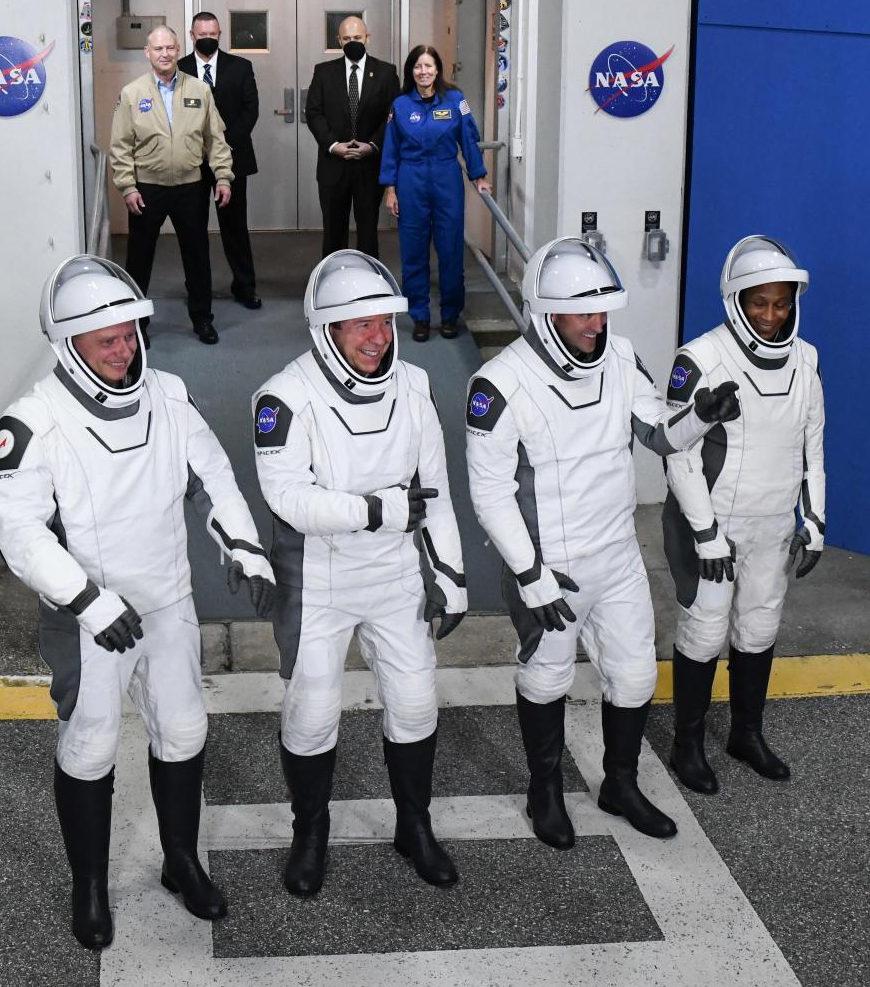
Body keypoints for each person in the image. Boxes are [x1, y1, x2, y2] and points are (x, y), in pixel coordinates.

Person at [0, 256, 274, 949]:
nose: (123, 350)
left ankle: (180, 862)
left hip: (167, 598)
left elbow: (215, 476)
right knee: (89, 746)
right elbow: (19, 533)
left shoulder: (171, 395)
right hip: (89, 618)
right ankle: (89, 886)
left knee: (183, 732)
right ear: (69, 346)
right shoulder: (32, 423)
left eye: (129, 334)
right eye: (105, 340)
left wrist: (245, 546)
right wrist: (88, 601)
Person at [465, 237, 741, 847]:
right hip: (551, 570)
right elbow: (490, 495)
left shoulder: (620, 356)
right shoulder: (498, 383)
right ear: (546, 312)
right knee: (546, 679)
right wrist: (529, 574)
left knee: (636, 676)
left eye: (603, 311)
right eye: (584, 312)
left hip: (617, 556)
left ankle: (620, 784)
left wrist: (701, 415)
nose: (598, 324)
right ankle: (545, 793)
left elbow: (658, 433)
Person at [252, 251, 467, 898]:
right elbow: (287, 499)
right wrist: (376, 510)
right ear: (327, 332)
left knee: (414, 703)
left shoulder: (416, 384)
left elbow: (436, 488)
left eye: (384, 323)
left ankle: (414, 825)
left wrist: (451, 573)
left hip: (396, 575)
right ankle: (310, 832)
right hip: (319, 581)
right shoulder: (284, 398)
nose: (378, 338)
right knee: (313, 712)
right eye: (360, 326)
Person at [662, 235, 825, 792]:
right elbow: (677, 456)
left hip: (775, 521)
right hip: (717, 526)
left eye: (781, 303)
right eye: (760, 303)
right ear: (736, 301)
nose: (772, 316)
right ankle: (687, 743)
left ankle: (745, 733)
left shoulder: (806, 360)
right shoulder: (700, 358)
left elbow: (813, 448)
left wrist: (815, 521)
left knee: (758, 626)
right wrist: (705, 535)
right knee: (705, 633)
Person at [110, 24, 233, 345]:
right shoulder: (132, 94)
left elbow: (215, 140)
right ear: (147, 53)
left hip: (190, 188)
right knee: (139, 260)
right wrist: (128, 187)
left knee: (197, 257)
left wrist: (223, 176)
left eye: (170, 48)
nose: (165, 54)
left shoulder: (199, 90)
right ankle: (136, 324)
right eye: (158, 49)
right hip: (146, 190)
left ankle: (202, 318)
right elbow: (120, 146)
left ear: (179, 50)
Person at [380, 45, 491, 342]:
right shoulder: (400, 105)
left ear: (438, 69)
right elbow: (391, 150)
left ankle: (450, 314)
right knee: (413, 252)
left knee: (450, 250)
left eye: (429, 66)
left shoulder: (456, 100)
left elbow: (468, 137)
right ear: (411, 71)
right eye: (418, 66)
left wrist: (478, 175)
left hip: (446, 179)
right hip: (411, 180)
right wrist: (390, 190)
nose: (423, 71)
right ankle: (419, 315)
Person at [178, 11, 262, 310]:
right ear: (191, 35)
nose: (208, 39)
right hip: (191, 163)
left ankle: (245, 287)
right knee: (193, 229)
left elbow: (250, 111)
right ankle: (197, 287)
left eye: (213, 34)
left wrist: (221, 144)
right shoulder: (179, 68)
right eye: (202, 35)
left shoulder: (241, 67)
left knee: (235, 228)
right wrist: (200, 147)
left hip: (234, 159)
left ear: (220, 34)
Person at [305, 16, 400, 258]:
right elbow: (314, 112)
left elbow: (392, 115)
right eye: (346, 38)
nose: (352, 42)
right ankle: (333, 282)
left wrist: (373, 145)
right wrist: (332, 144)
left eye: (357, 37)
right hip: (333, 165)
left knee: (368, 230)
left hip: (369, 165)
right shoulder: (323, 72)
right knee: (333, 230)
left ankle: (369, 285)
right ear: (338, 40)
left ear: (367, 37)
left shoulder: (386, 72)